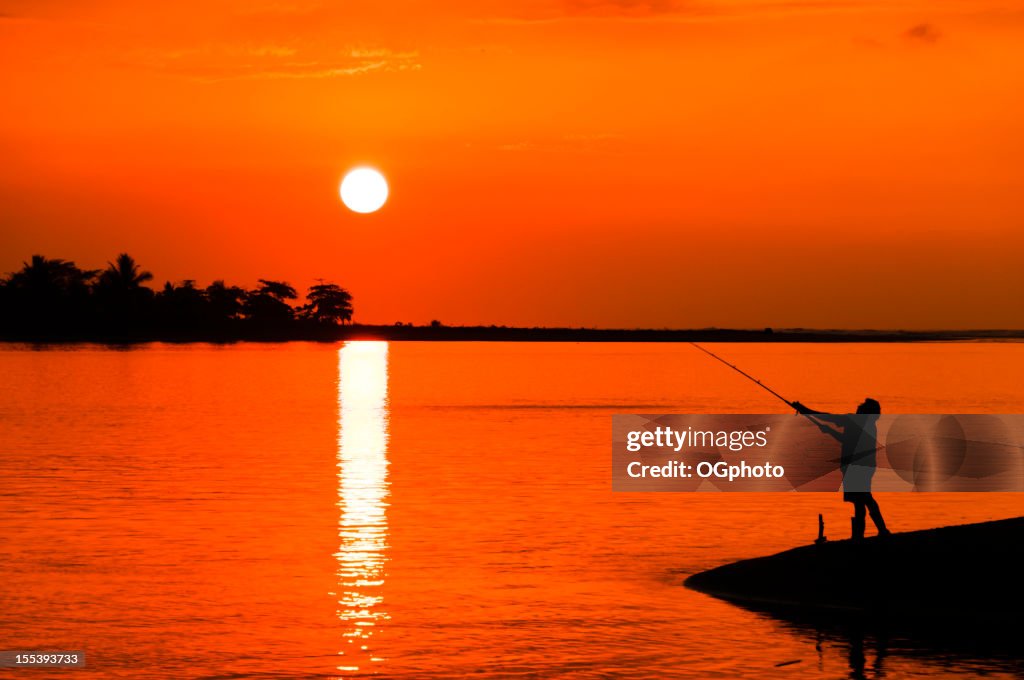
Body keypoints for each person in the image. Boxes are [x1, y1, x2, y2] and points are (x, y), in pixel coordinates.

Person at [789, 398, 891, 540]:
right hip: (863, 466)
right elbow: (848, 440)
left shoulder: (855, 421)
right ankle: (867, 533)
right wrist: (830, 431)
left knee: (863, 499)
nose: (858, 409)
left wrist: (804, 409)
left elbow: (827, 417)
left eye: (861, 408)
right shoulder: (867, 424)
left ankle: (870, 533)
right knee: (862, 499)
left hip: (856, 467)